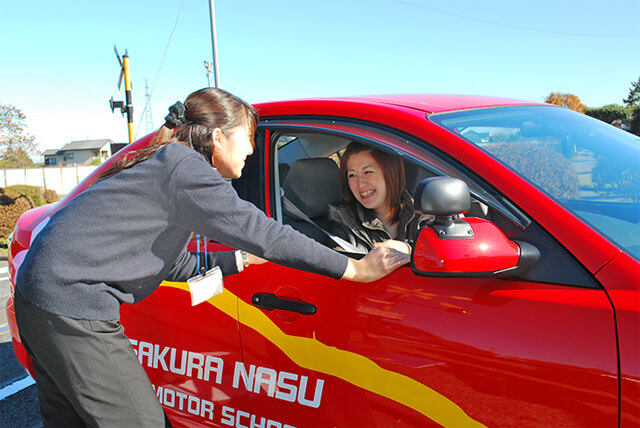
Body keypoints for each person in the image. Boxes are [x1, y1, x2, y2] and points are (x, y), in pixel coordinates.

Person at [13, 88, 409, 427]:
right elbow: (262, 230)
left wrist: (236, 262)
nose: (253, 149)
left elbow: (166, 261)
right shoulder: (185, 168)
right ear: (219, 137)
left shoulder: (168, 164)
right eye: (249, 137)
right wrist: (354, 268)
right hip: (74, 307)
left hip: (41, 297)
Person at [328, 141, 433, 253]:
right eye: (352, 175)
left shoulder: (423, 216)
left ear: (390, 173)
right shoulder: (345, 225)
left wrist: (409, 250)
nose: (360, 184)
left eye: (367, 172)